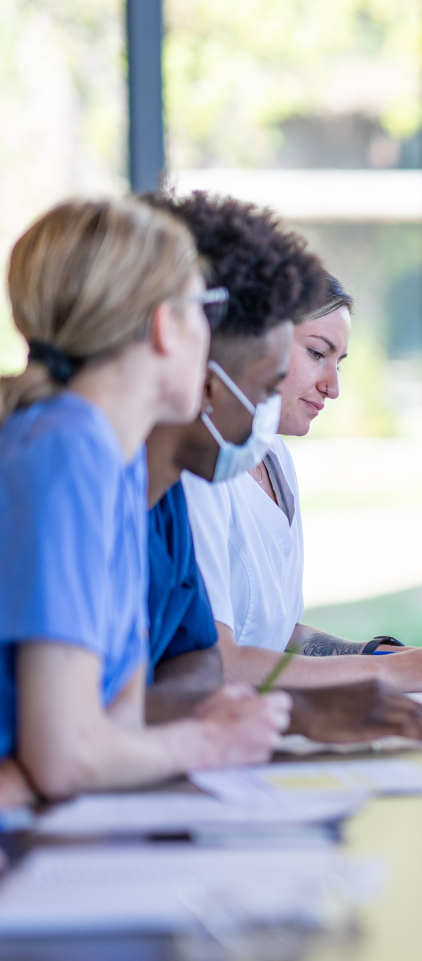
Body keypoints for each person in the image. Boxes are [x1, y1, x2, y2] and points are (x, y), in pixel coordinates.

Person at [150, 191, 422, 692]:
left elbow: (273, 634)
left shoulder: (271, 458)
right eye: (317, 353)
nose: (332, 386)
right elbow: (214, 657)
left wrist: (378, 655)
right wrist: (387, 672)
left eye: (340, 362)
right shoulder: (199, 466)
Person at [0, 198, 287, 802]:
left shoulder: (118, 461)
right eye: (204, 310)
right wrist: (210, 742)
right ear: (166, 323)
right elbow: (68, 757)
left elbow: (113, 729)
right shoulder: (66, 450)